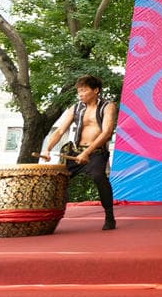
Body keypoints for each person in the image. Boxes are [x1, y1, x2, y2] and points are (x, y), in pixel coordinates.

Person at [41, 75, 118, 230]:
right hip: (75, 152)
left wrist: (87, 152)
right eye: (79, 91)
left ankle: (110, 217)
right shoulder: (75, 108)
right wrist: (47, 148)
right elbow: (60, 130)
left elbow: (106, 133)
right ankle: (48, 216)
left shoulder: (107, 106)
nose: (80, 94)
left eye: (84, 90)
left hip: (96, 152)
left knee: (99, 177)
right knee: (57, 180)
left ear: (96, 90)